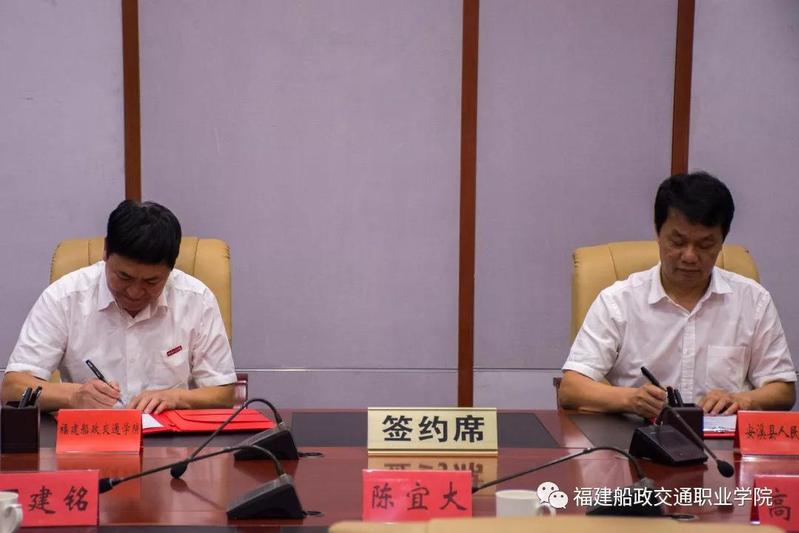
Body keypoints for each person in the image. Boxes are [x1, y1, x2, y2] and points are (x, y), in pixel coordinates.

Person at [559, 172, 796, 417]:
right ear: (658, 233)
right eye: (678, 242)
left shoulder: (753, 300)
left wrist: (742, 400)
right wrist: (630, 399)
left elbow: (783, 389)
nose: (690, 256)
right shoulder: (618, 301)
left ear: (721, 241)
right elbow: (571, 389)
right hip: (638, 435)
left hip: (722, 435)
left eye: (705, 245)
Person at [1, 200, 236, 413]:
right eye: (124, 277)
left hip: (170, 438)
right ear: (105, 251)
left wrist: (175, 398)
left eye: (151, 282)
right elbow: (12, 388)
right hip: (90, 438)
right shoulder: (64, 297)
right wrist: (74, 396)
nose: (135, 292)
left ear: (171, 269)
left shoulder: (197, 299)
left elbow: (224, 394)